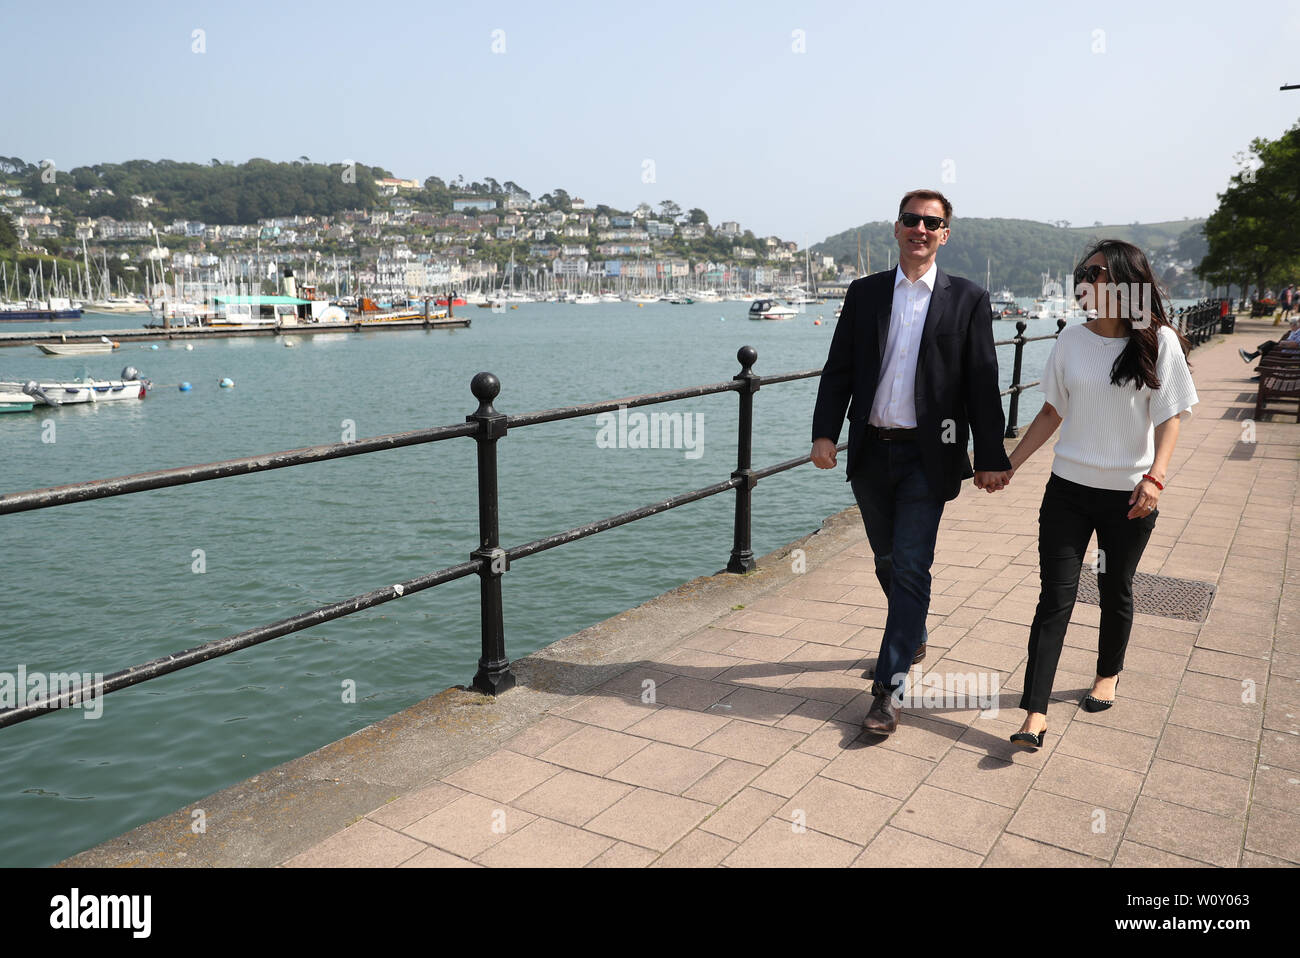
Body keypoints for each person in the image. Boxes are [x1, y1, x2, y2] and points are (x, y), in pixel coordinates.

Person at [810, 188, 1012, 735]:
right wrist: (825, 433)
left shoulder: (968, 298)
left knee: (910, 564)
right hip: (871, 451)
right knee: (886, 559)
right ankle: (913, 628)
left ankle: (888, 690)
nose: (920, 229)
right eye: (911, 220)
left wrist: (991, 455)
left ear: (945, 234)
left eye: (931, 222)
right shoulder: (865, 293)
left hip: (930, 456)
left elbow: (982, 382)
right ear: (896, 228)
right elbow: (839, 369)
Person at [1005, 239, 1198, 748]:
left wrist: (1156, 477)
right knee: (1055, 598)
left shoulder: (1159, 341)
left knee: (1115, 588)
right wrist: (1010, 465)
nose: (1085, 281)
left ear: (1126, 281)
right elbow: (1052, 411)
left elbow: (1171, 417)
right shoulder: (1071, 339)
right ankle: (1034, 714)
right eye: (1083, 273)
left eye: (1096, 273)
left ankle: (1107, 674)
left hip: (1129, 498)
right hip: (1067, 492)